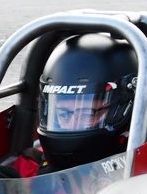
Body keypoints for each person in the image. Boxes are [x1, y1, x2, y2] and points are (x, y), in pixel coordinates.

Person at [35, 33, 138, 170]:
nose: (71, 126)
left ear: (124, 108)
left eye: (87, 114)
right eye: (63, 114)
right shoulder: (30, 169)